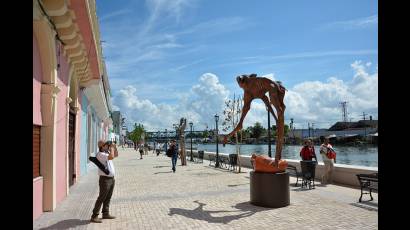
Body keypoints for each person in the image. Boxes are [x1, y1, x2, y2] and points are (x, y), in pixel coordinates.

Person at [90, 140, 117, 223]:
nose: (108, 146)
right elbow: (112, 157)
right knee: (102, 197)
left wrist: (114, 147)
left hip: (111, 178)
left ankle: (105, 213)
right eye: (106, 145)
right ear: (102, 146)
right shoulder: (100, 154)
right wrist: (112, 147)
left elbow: (115, 155)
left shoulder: (106, 153)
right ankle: (94, 215)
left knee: (108, 197)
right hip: (105, 179)